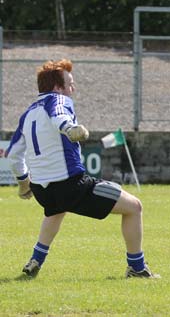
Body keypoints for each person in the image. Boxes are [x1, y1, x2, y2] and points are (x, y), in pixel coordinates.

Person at [6, 59, 159, 279]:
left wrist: (23, 183)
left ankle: (35, 261)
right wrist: (69, 128)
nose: (73, 88)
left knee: (56, 210)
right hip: (71, 186)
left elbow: (13, 156)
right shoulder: (59, 100)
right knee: (135, 207)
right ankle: (136, 268)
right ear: (58, 87)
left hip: (42, 190)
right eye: (70, 83)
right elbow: (59, 115)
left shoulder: (28, 114)